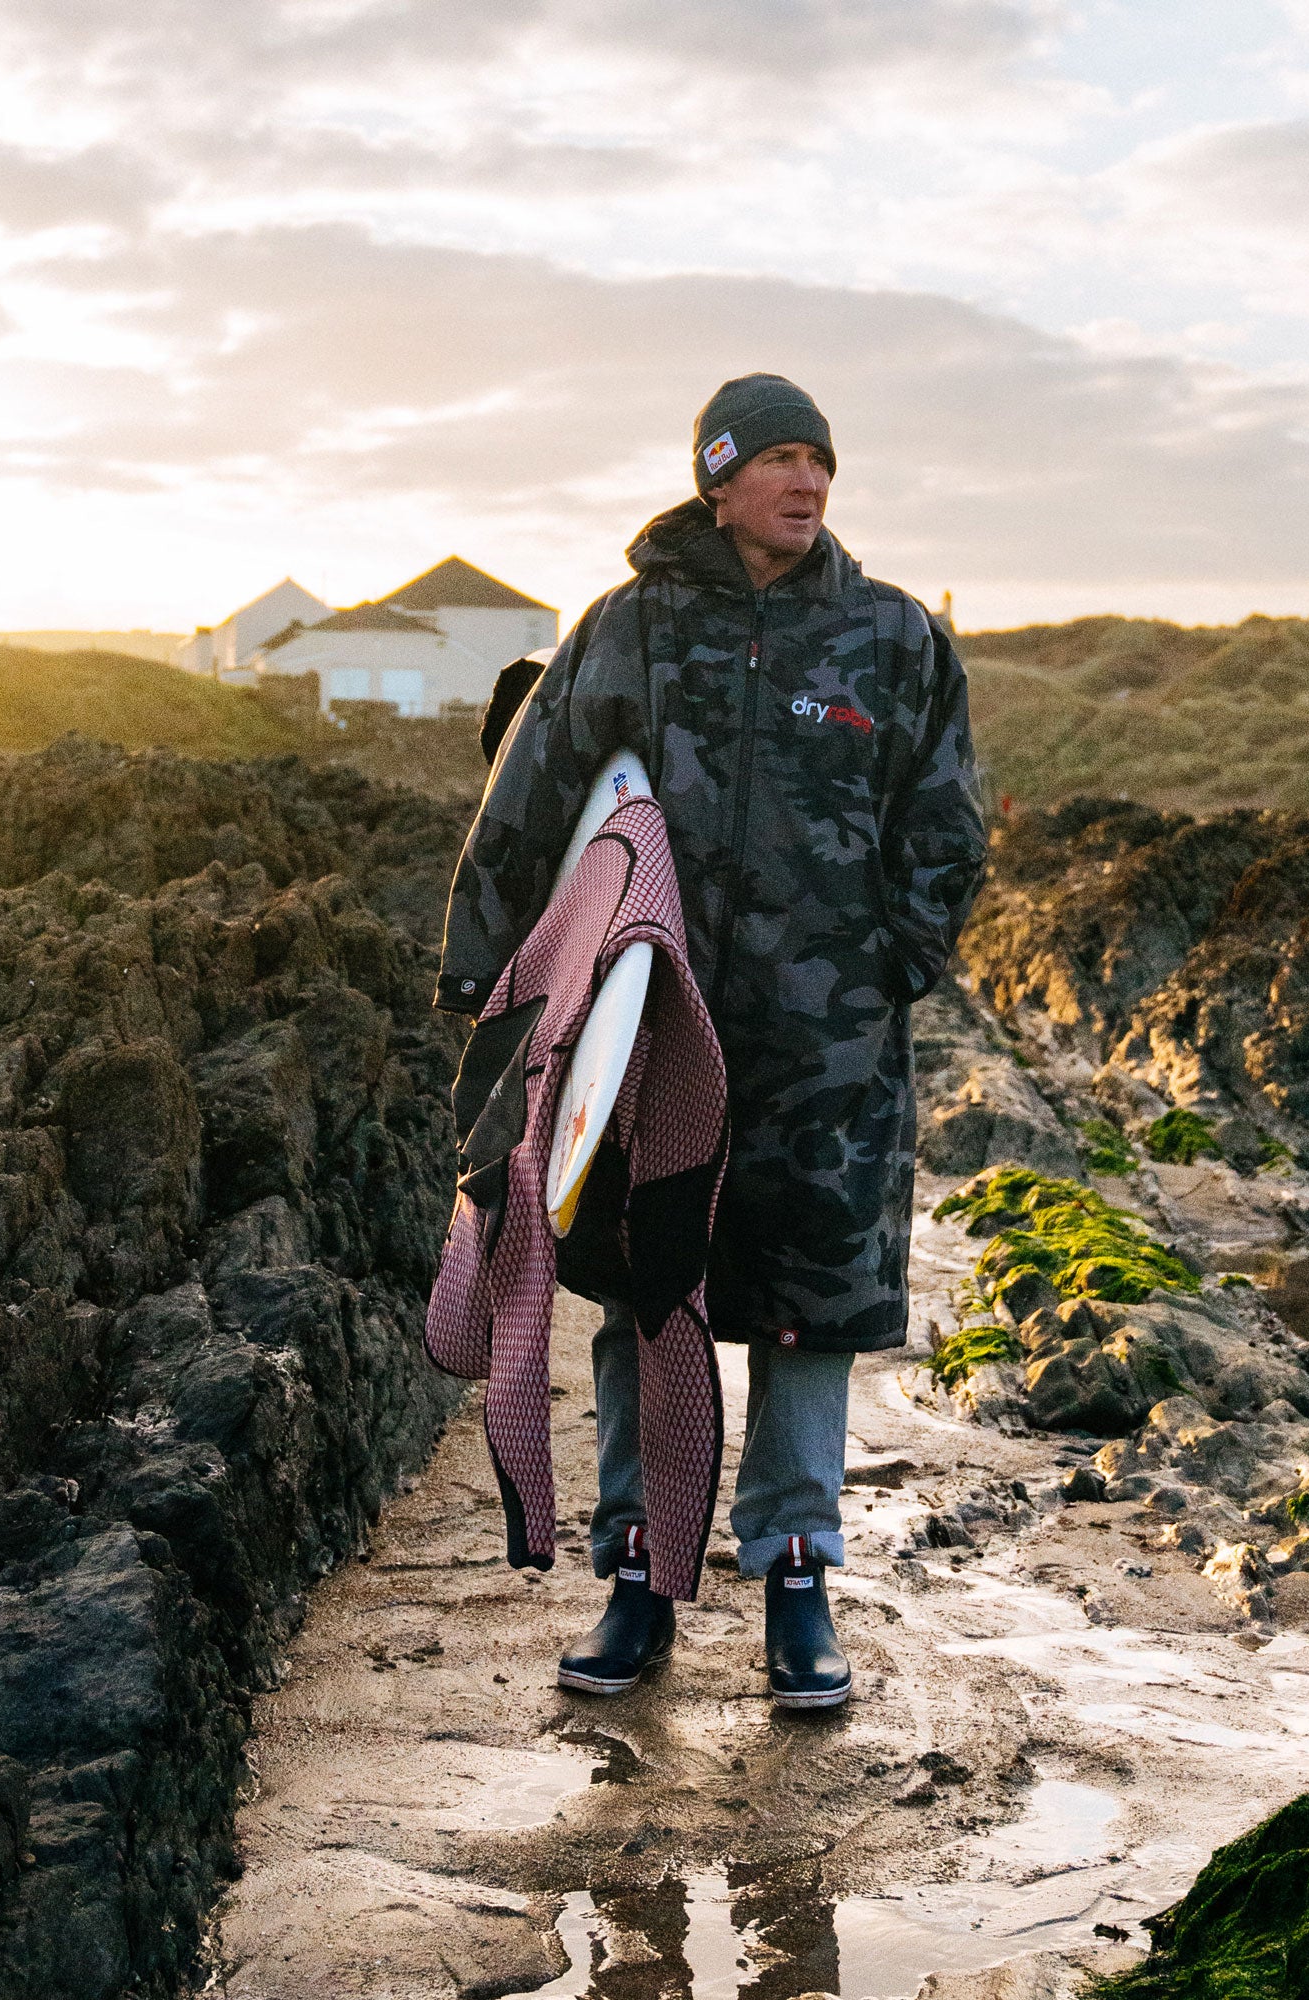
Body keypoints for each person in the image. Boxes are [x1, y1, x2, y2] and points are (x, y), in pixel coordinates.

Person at [436, 373, 987, 1709]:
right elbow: (538, 790)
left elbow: (947, 819)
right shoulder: (629, 628)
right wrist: (485, 972)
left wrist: (886, 964)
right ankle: (640, 1573)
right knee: (647, 1288)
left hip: (825, 1052)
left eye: (822, 464)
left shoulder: (891, 637)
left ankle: (796, 1574)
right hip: (657, 1035)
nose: (807, 485)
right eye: (781, 461)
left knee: (808, 1308)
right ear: (719, 478)